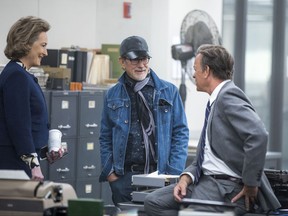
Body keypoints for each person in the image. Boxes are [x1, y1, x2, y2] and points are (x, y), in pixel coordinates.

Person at [144, 44, 281, 216]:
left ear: (207, 70)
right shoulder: (214, 101)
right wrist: (186, 178)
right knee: (152, 202)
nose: (193, 74)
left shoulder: (228, 96)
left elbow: (258, 135)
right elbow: (204, 155)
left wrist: (251, 184)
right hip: (205, 182)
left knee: (187, 212)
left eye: (195, 69)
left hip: (226, 189)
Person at [99, 35, 189, 206]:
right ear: (122, 61)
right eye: (134, 60)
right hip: (124, 177)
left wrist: (174, 172)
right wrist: (110, 173)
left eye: (145, 59)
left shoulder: (168, 91)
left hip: (161, 175)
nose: (141, 65)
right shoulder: (112, 95)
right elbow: (105, 136)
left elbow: (180, 133)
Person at [0, 16, 63, 181]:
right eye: (43, 46)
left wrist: (46, 148)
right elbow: (19, 125)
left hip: (19, 159)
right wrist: (33, 165)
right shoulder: (16, 76)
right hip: (15, 163)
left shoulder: (20, 74)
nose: (46, 52)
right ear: (27, 43)